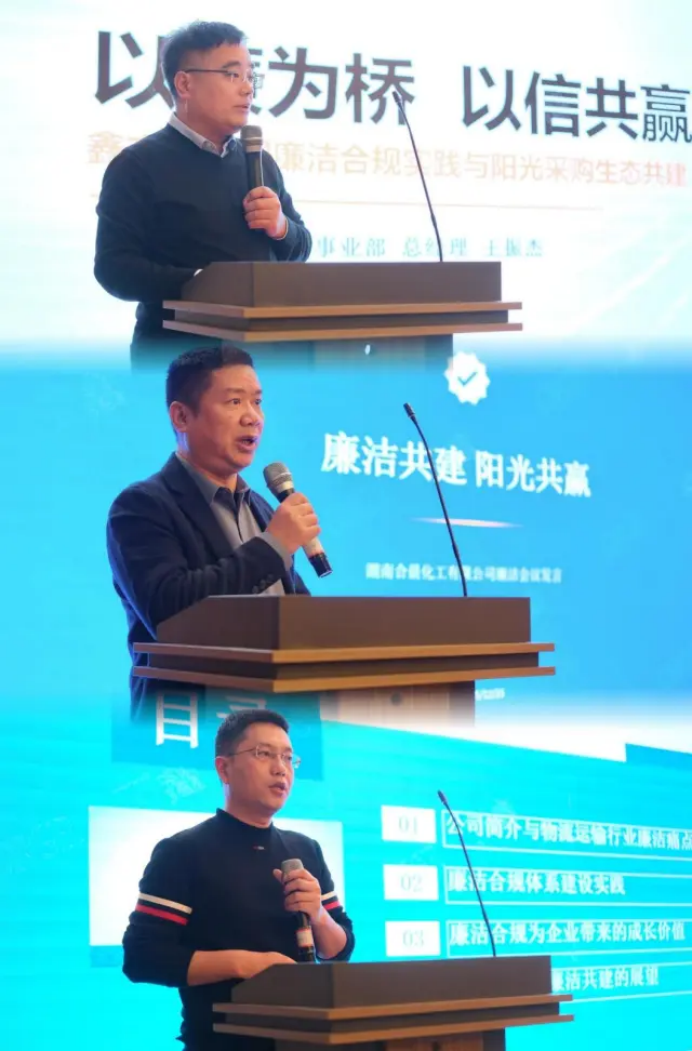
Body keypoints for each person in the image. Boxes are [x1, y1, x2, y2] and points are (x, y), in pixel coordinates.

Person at [123, 708, 354, 1050]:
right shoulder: (183, 851)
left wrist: (319, 915)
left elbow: (339, 950)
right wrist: (249, 965)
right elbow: (142, 957)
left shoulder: (306, 850)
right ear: (224, 768)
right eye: (264, 754)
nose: (281, 768)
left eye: (288, 758)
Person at [107, 345, 318, 714]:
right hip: (190, 724)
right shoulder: (141, 506)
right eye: (234, 402)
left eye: (257, 402)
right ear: (182, 416)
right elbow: (171, 615)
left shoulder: (262, 509)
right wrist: (273, 546)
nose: (253, 417)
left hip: (277, 723)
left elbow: (294, 619)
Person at [94, 20, 311, 350]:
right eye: (232, 75)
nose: (247, 89)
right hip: (177, 357)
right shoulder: (137, 165)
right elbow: (114, 268)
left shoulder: (260, 162)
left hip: (263, 354)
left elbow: (301, 247)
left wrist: (282, 228)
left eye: (251, 77)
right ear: (185, 83)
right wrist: (202, 284)